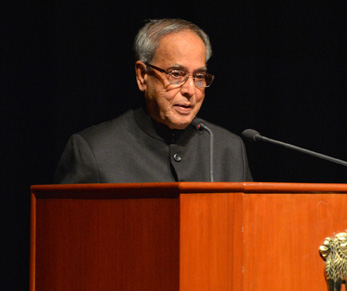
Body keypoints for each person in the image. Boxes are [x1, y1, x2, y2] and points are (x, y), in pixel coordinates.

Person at [55, 19, 252, 183]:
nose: (190, 90)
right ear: (142, 76)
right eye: (176, 74)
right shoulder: (93, 151)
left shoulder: (228, 149)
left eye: (199, 76)